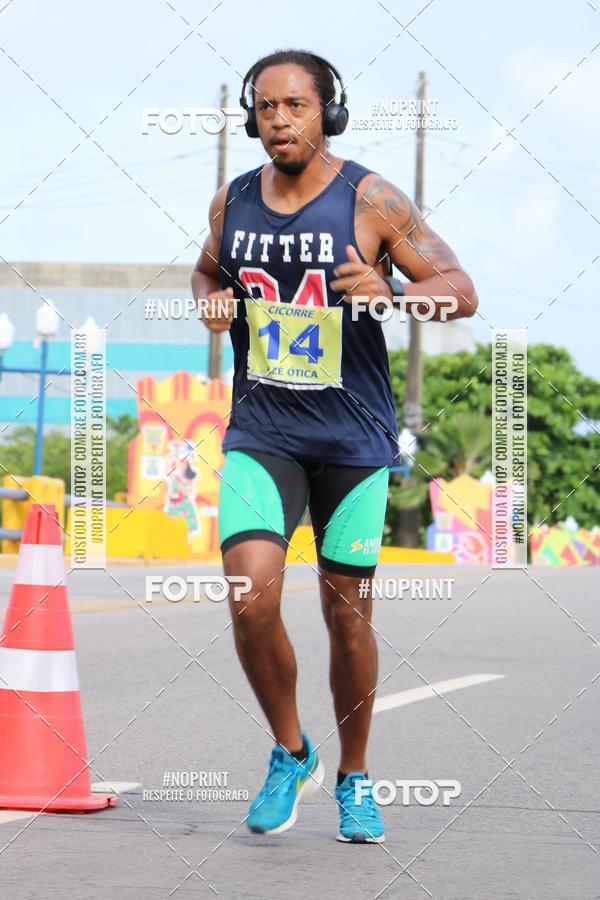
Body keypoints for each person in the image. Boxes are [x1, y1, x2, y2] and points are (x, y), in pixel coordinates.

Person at [191, 49, 478, 843]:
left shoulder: (371, 198)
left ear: (328, 112)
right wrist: (213, 303)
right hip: (264, 430)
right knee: (250, 596)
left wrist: (398, 293)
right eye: (265, 107)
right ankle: (291, 752)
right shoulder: (232, 202)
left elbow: (460, 289)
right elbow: (205, 274)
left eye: (295, 105)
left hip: (352, 438)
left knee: (347, 615)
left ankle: (354, 775)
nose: (278, 119)